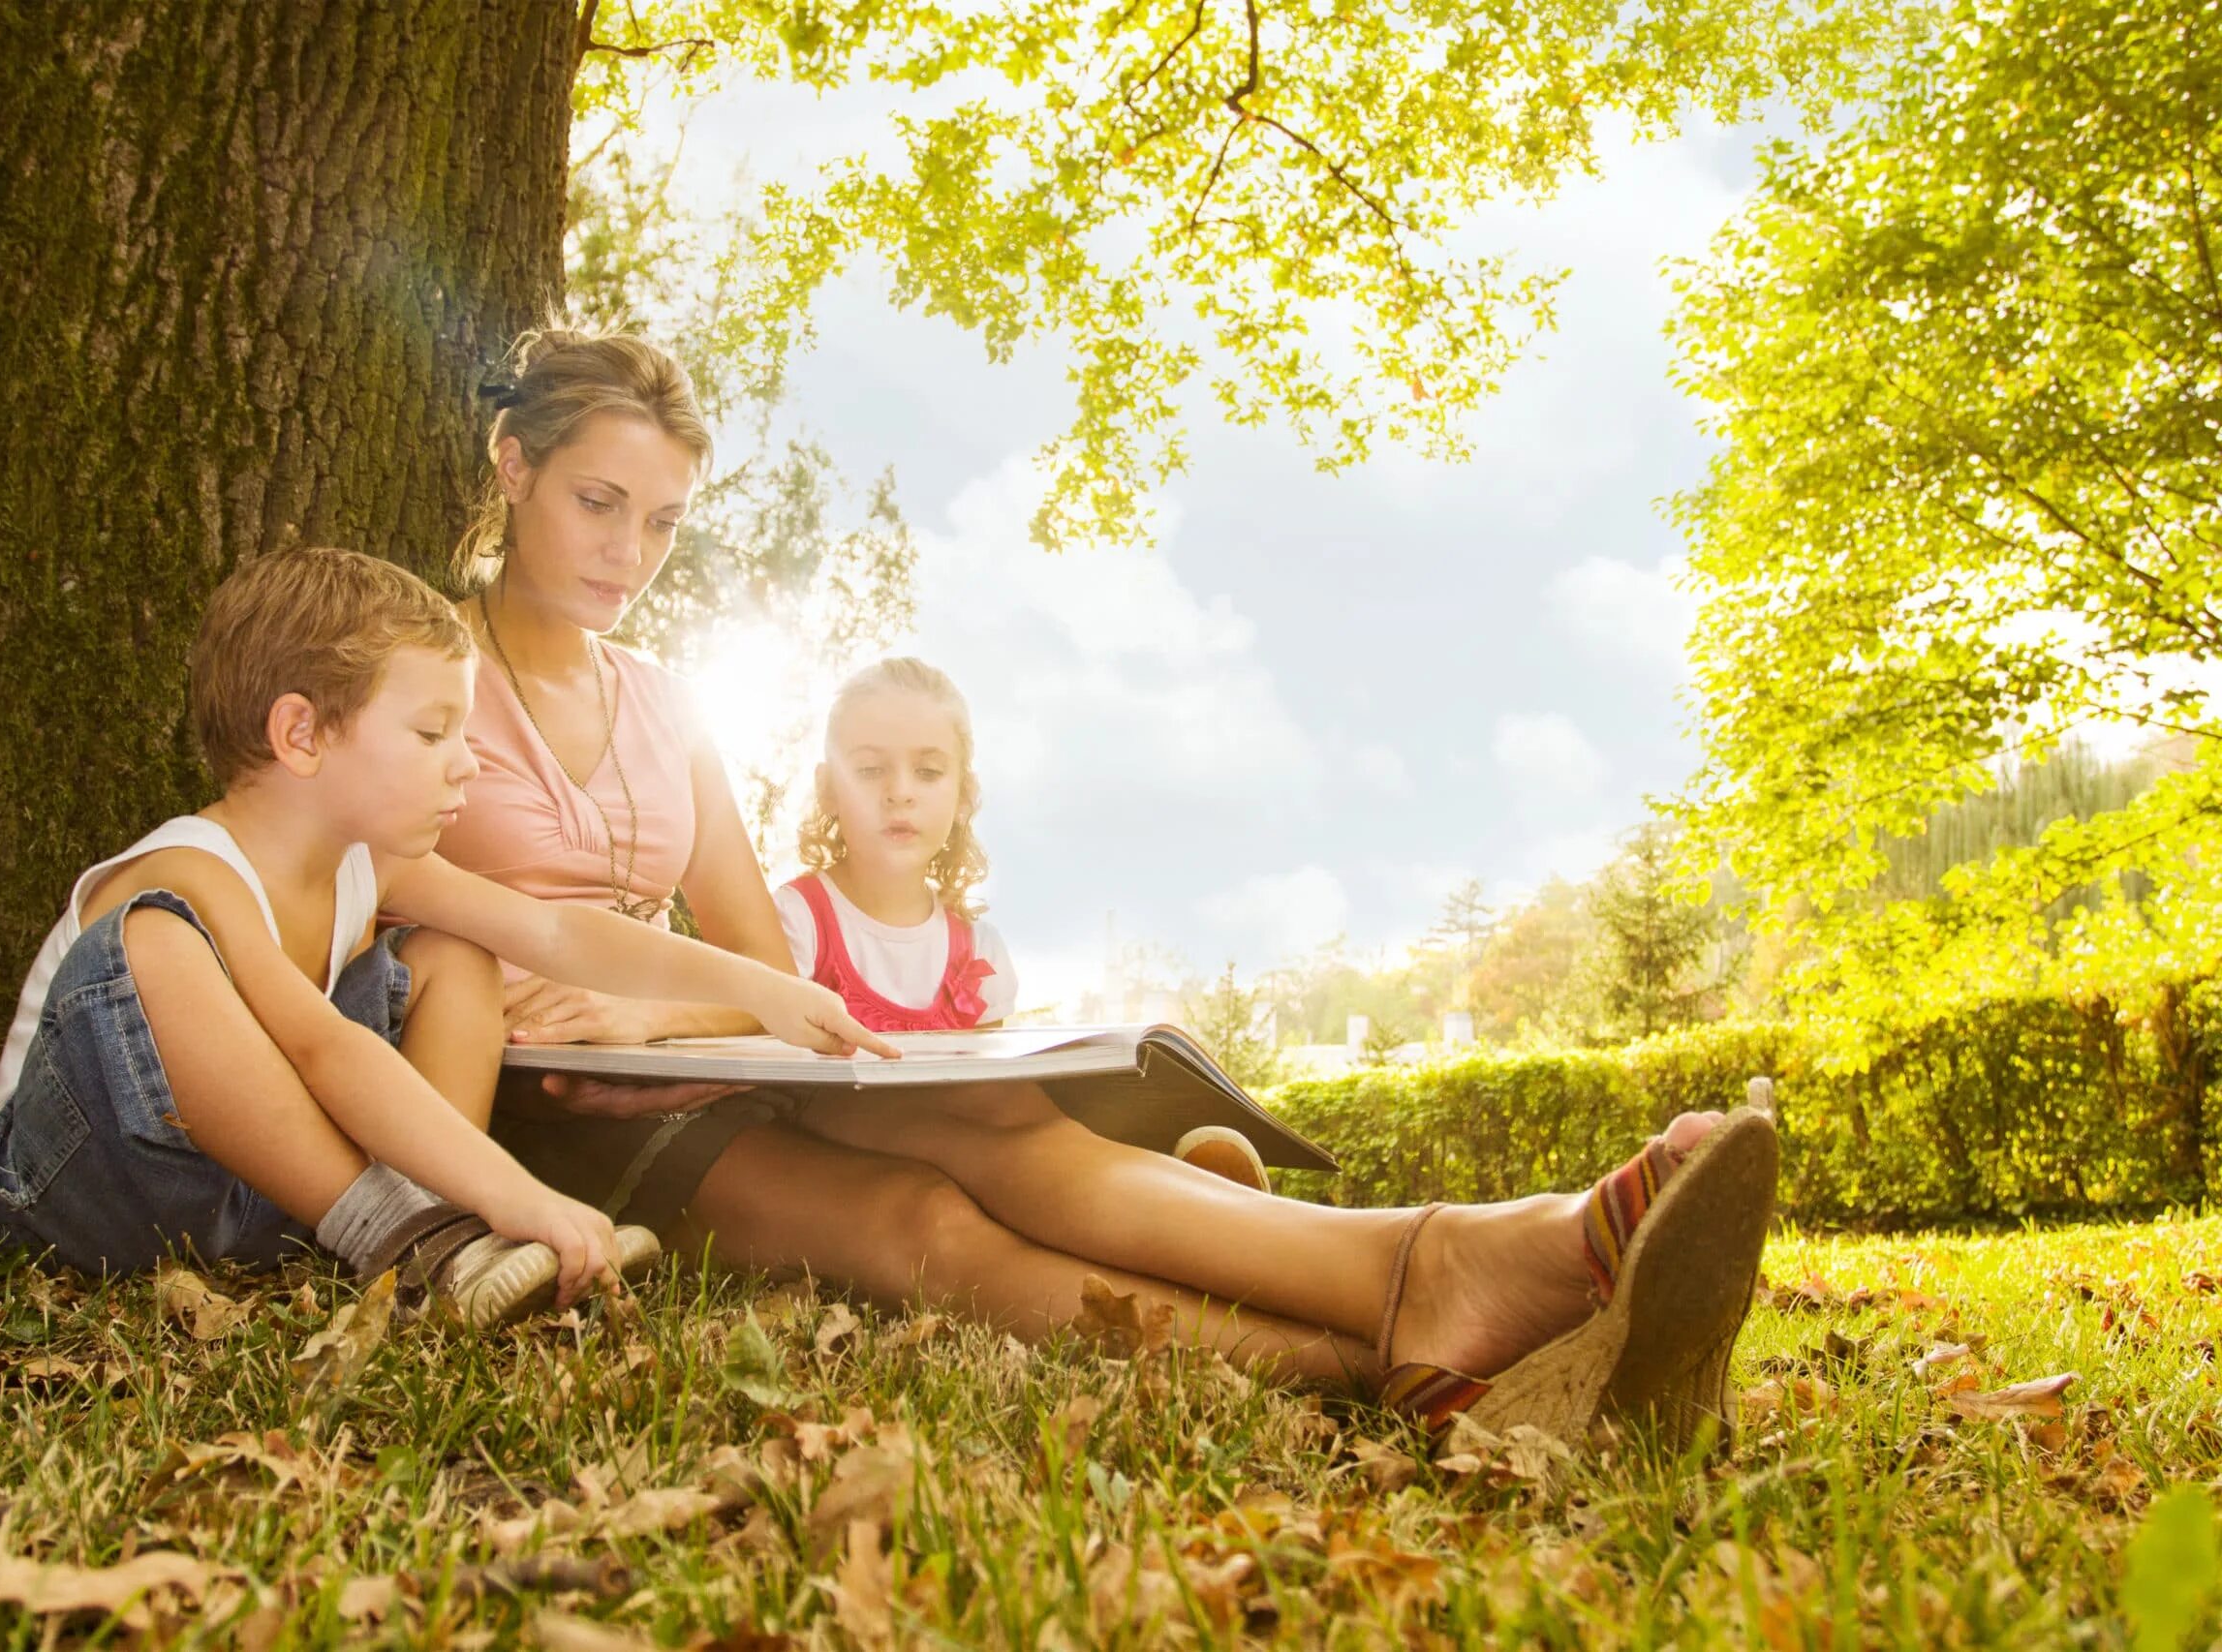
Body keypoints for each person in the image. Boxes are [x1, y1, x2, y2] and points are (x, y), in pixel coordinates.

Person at [447, 324, 1778, 1444]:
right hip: (552, 1120)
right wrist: (608, 1023)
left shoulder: (667, 703)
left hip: (697, 1057)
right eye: (598, 503)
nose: (630, 550)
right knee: (924, 1222)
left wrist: (657, 1015)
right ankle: (1385, 1348)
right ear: (515, 469)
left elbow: (771, 979)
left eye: (664, 520)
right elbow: (389, 918)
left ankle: (1440, 1278)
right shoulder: (429, 667)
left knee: (1010, 1127)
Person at [0, 547, 892, 1334]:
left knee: (455, 954)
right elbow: (325, 1051)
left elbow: (556, 932)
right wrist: (513, 1192)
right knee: (157, 944)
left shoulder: (375, 866)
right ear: (301, 735)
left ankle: (428, 1223)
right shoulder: (190, 872)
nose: (469, 758)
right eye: (433, 730)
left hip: (263, 1199)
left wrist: (766, 991)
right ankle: (424, 1234)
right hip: (80, 1193)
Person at [776, 653, 1274, 1190]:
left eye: (928, 771)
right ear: (827, 787)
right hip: (854, 1173)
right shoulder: (796, 920)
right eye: (871, 769)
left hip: (973, 1168)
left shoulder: (978, 948)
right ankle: (1186, 1201)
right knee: (1010, 1156)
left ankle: (1196, 1205)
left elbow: (995, 1096)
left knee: (1028, 1132)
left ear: (964, 795)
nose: (900, 791)